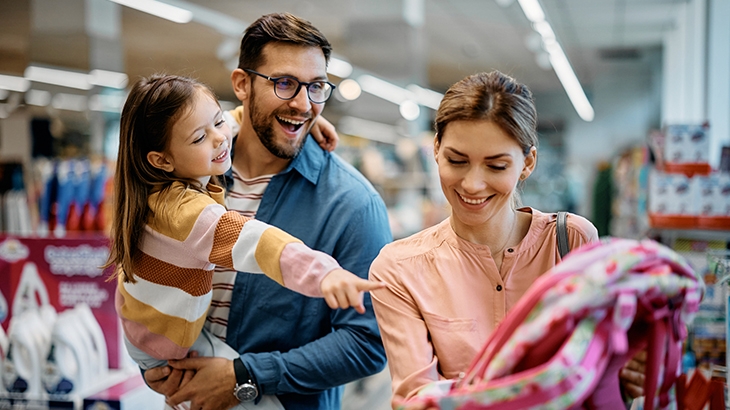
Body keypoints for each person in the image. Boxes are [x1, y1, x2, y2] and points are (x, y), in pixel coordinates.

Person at [143, 13, 392, 410]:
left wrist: (246, 376)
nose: (303, 104)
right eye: (285, 83)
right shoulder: (189, 178)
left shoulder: (353, 205)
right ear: (242, 84)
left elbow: (367, 344)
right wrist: (152, 354)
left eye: (316, 87)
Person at [368, 71, 644, 408]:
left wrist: (622, 370)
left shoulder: (571, 242)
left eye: (496, 166)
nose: (472, 184)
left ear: (527, 163)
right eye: (457, 161)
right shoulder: (399, 269)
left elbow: (599, 366)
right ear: (437, 149)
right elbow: (415, 399)